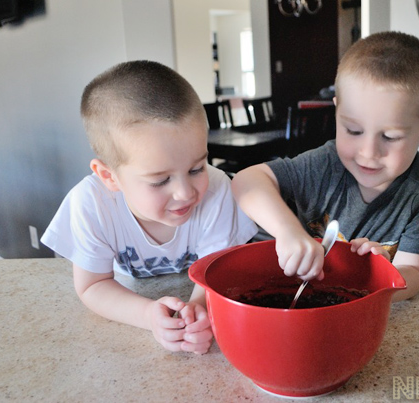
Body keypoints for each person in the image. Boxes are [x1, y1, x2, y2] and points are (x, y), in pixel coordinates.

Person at [41, 61, 257, 353]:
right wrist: (148, 315)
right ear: (109, 177)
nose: (185, 193)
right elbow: (93, 286)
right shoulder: (90, 205)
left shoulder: (217, 189)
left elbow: (216, 272)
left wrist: (195, 312)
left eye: (196, 168)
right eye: (160, 180)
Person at [231, 31, 419, 301]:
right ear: (336, 112)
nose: (368, 153)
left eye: (390, 137)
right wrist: (289, 232)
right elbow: (247, 180)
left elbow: (413, 271)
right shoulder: (324, 165)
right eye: (353, 130)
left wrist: (379, 275)